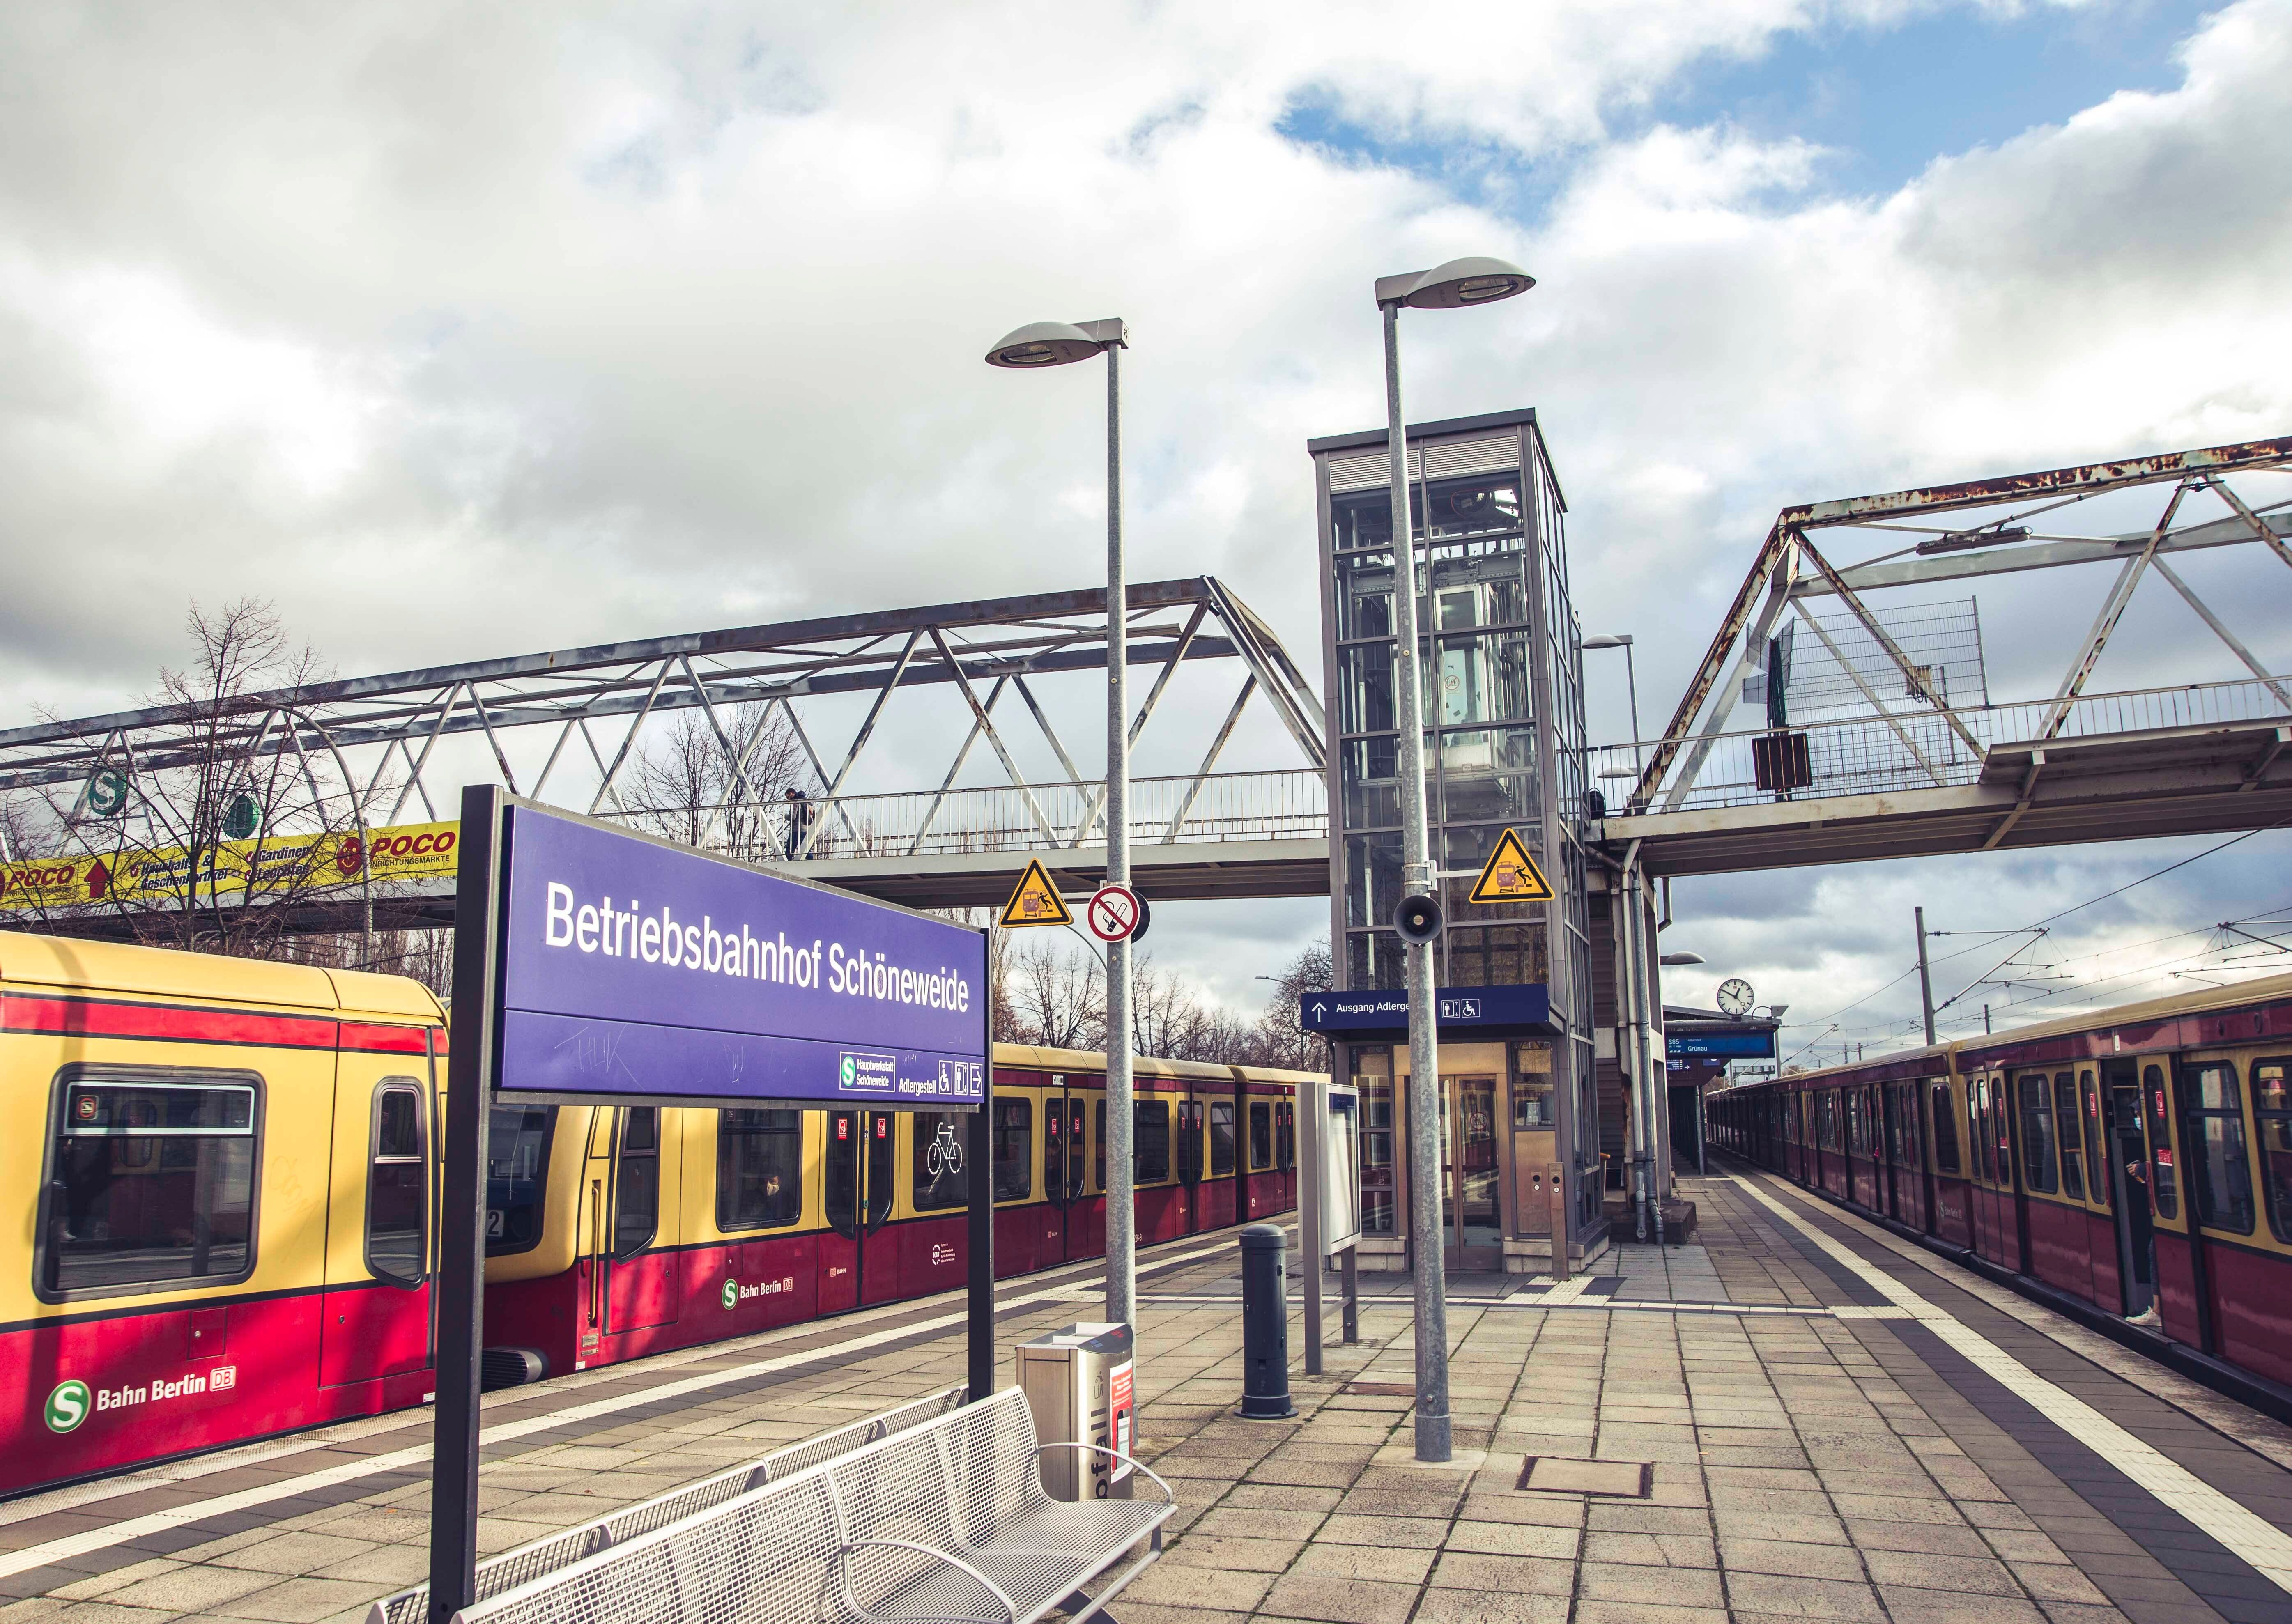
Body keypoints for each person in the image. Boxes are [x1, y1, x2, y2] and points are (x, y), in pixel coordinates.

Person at [783, 786, 813, 860]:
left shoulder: (795, 803)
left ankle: (786, 865)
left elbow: (792, 817)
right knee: (806, 851)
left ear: (791, 794)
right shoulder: (806, 802)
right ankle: (813, 863)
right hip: (805, 830)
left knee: (789, 852)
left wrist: (785, 816)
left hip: (796, 830)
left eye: (787, 797)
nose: (788, 799)